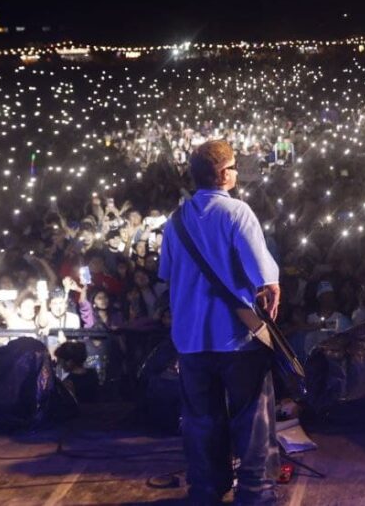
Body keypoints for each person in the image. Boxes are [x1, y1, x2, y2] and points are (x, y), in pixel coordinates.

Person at [158, 139, 281, 506]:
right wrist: (272, 289)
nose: (237, 172)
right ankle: (255, 494)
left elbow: (165, 273)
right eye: (233, 166)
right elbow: (263, 274)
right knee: (252, 417)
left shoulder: (175, 221)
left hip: (191, 340)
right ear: (224, 174)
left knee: (200, 420)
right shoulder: (238, 213)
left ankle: (207, 490)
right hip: (236, 337)